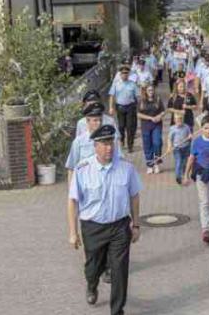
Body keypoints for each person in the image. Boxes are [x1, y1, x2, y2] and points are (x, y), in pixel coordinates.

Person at [67, 124, 142, 315]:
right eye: (104, 144)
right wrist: (73, 232)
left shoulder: (126, 168)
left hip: (119, 227)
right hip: (93, 227)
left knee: (119, 270)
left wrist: (136, 224)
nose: (109, 148)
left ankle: (117, 310)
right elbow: (73, 202)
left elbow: (134, 195)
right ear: (95, 146)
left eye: (111, 143)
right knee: (93, 268)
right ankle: (92, 284)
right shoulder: (82, 170)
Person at [183, 116, 209, 243]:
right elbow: (191, 158)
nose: (208, 131)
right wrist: (186, 174)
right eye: (206, 128)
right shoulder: (197, 142)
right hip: (202, 174)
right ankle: (206, 229)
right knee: (204, 201)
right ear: (201, 128)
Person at [109, 65, 139, 153]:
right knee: (121, 126)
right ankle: (122, 140)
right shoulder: (116, 84)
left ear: (128, 74)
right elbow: (111, 96)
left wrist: (139, 107)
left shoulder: (132, 84)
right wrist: (111, 107)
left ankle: (130, 145)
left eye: (126, 73)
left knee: (130, 127)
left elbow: (137, 96)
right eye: (123, 73)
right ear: (120, 74)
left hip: (130, 107)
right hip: (120, 107)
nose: (124, 75)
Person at [137, 84, 165, 174]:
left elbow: (163, 111)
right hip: (146, 125)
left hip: (157, 125)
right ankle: (150, 164)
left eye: (152, 90)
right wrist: (150, 118)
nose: (151, 92)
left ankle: (156, 162)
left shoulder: (157, 99)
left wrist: (159, 116)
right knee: (147, 145)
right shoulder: (141, 101)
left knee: (157, 142)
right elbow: (138, 114)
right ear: (145, 91)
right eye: (149, 90)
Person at [167, 113, 192, 185]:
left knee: (184, 162)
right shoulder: (172, 129)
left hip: (186, 147)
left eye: (180, 119)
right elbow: (169, 139)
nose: (179, 121)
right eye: (177, 119)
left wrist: (190, 136)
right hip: (177, 148)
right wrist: (169, 147)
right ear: (174, 120)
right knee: (179, 161)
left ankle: (184, 174)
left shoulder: (186, 127)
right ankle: (178, 177)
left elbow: (190, 135)